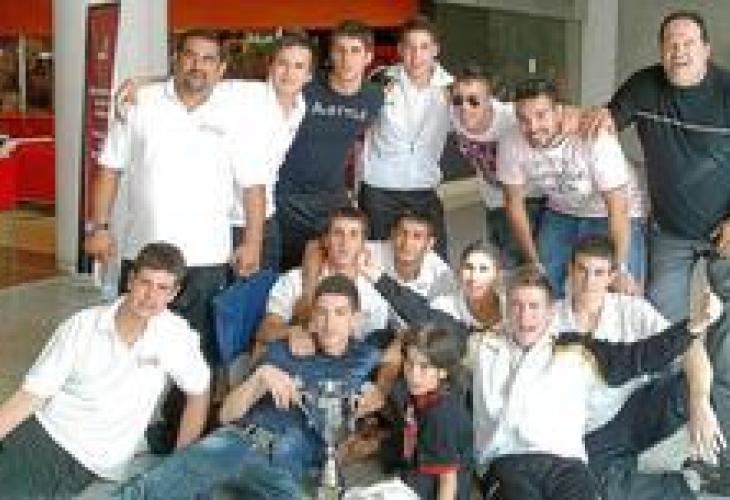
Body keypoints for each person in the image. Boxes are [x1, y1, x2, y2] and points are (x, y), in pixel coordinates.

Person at [585, 11, 730, 486]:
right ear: (660, 49)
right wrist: (596, 119)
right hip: (671, 230)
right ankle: (664, 426)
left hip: (725, 232)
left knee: (726, 342)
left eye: (688, 42)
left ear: (706, 49)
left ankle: (720, 449)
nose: (678, 50)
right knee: (663, 331)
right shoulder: (644, 86)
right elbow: (608, 118)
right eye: (670, 42)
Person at [85, 29, 267, 362]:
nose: (198, 66)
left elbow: (253, 186)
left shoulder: (238, 113)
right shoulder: (139, 102)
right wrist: (99, 227)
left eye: (208, 59)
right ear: (176, 59)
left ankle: (189, 401)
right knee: (131, 352)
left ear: (221, 69)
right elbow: (110, 168)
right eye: (190, 56)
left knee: (198, 357)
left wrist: (253, 242)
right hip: (144, 253)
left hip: (207, 260)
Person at [112, 274, 381, 499]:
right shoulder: (285, 349)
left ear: (355, 319)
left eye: (340, 313)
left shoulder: (366, 359)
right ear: (312, 316)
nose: (329, 323)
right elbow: (225, 414)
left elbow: (381, 398)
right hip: (240, 441)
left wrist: (375, 395)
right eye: (322, 312)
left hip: (286, 467)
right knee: (150, 489)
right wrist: (259, 378)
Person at [472, 266, 719, 500]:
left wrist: (693, 326)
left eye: (534, 306)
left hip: (565, 464)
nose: (525, 316)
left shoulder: (577, 349)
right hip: (507, 462)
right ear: (506, 309)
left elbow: (640, 355)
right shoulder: (482, 346)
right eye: (516, 306)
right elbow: (448, 335)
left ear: (550, 313)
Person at [0, 242, 210, 498]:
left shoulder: (176, 337)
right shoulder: (82, 326)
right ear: (130, 280)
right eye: (145, 283)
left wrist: (180, 466)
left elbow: (199, 392)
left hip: (88, 458)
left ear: (173, 294)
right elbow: (30, 396)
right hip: (45, 431)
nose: (150, 296)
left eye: (162, 288)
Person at [553, 235, 726, 498]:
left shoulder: (633, 310)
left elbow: (690, 347)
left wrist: (699, 400)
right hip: (588, 430)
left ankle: (719, 466)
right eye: (582, 270)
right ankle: (685, 485)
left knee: (697, 383)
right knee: (596, 488)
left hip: (636, 410)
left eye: (599, 273)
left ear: (612, 276)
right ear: (570, 269)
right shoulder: (549, 318)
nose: (589, 282)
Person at [498, 78, 647, 298]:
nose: (533, 127)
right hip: (562, 209)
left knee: (618, 290)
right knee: (544, 284)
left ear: (559, 111)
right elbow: (513, 204)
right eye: (523, 119)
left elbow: (618, 207)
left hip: (612, 212)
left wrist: (620, 268)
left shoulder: (595, 137)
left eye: (541, 115)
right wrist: (533, 262)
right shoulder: (511, 142)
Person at [276, 19, 383, 271]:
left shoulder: (374, 97)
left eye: (355, 51)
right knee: (286, 271)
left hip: (331, 199)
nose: (347, 59)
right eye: (340, 50)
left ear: (368, 57)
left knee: (331, 270)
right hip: (286, 197)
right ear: (331, 54)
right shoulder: (305, 88)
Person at [359, 14, 453, 258]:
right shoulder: (380, 80)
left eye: (424, 47)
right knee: (377, 261)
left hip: (423, 189)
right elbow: (357, 120)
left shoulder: (451, 89)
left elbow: (482, 116)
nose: (416, 55)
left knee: (435, 262)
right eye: (410, 47)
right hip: (379, 190)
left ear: (435, 50)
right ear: (400, 49)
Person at [225, 31, 312, 272]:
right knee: (232, 292)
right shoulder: (244, 94)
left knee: (266, 287)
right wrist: (142, 84)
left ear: (308, 76)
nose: (289, 73)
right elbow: (196, 86)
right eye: (283, 63)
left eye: (298, 66)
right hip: (229, 220)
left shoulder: (299, 107)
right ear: (270, 66)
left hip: (266, 215)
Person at [255, 206, 390, 356]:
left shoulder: (376, 290)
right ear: (326, 240)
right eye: (338, 233)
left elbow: (374, 344)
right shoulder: (294, 279)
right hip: (299, 359)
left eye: (353, 235)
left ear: (363, 243)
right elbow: (265, 331)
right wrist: (291, 332)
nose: (345, 242)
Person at [451, 64, 545, 270]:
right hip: (494, 203)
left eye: (474, 101)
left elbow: (555, 114)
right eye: (458, 100)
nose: (465, 107)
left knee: (524, 268)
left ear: (490, 100)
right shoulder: (454, 114)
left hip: (530, 199)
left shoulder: (512, 117)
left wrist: (595, 115)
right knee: (505, 269)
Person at [382, 325, 473, 500]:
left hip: (441, 486)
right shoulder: (420, 391)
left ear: (443, 371)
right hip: (420, 462)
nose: (413, 375)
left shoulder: (441, 416)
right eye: (409, 363)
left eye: (424, 367)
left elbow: (448, 480)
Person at [366, 210, 457, 302]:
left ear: (429, 243)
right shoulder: (369, 252)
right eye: (403, 233)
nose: (407, 243)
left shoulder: (442, 275)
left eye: (417, 236)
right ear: (392, 235)